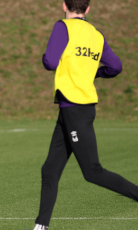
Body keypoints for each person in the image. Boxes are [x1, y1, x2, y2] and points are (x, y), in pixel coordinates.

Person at [31, 1, 138, 229]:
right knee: (49, 169)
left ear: (64, 5)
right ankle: (41, 226)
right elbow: (115, 67)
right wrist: (92, 73)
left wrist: (44, 58)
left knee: (92, 171)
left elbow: (50, 61)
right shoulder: (95, 34)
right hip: (74, 108)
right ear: (87, 9)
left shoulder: (63, 26)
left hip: (75, 107)